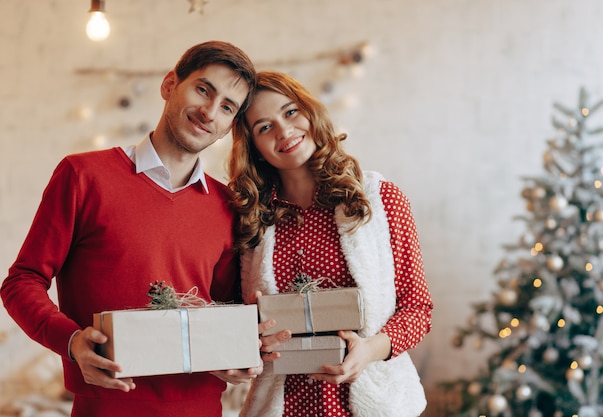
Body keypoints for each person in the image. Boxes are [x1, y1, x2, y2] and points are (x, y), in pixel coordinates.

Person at [1, 40, 260, 417]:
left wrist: (236, 352)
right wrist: (72, 341)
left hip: (202, 408)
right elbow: (21, 281)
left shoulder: (227, 207)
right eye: (203, 89)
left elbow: (226, 309)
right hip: (105, 408)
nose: (209, 112)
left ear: (229, 126)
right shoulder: (83, 176)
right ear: (170, 85)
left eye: (226, 107)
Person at [227, 71, 434, 417]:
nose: (284, 131)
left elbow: (417, 309)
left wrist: (368, 350)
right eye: (264, 127)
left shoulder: (379, 199)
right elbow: (235, 318)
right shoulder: (252, 219)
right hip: (281, 406)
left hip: (374, 403)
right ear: (254, 148)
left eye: (290, 112)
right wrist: (250, 334)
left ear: (310, 112)